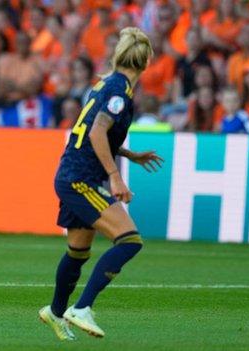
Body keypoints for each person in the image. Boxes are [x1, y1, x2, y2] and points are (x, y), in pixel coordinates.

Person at [39, 27, 163, 341]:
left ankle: (54, 312)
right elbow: (95, 133)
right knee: (130, 241)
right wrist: (116, 175)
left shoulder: (106, 83)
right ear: (146, 60)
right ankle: (82, 308)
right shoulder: (120, 92)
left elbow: (91, 132)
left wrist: (128, 154)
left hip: (71, 173)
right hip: (82, 178)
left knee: (78, 252)